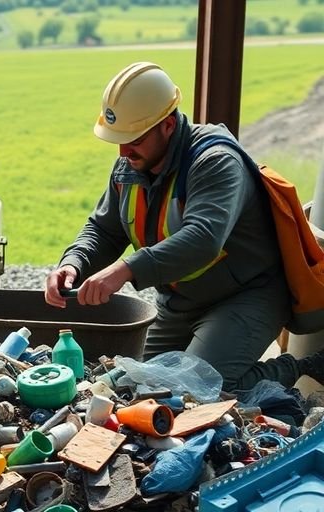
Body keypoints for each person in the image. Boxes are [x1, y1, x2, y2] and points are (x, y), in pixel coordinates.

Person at [44, 61, 323, 392]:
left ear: (168, 124)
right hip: (180, 303)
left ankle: (307, 366)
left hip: (247, 294)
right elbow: (103, 230)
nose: (122, 150)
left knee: (197, 391)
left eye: (134, 138)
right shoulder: (130, 165)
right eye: (118, 139)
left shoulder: (215, 161)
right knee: (131, 385)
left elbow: (203, 239)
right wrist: (72, 263)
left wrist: (124, 270)